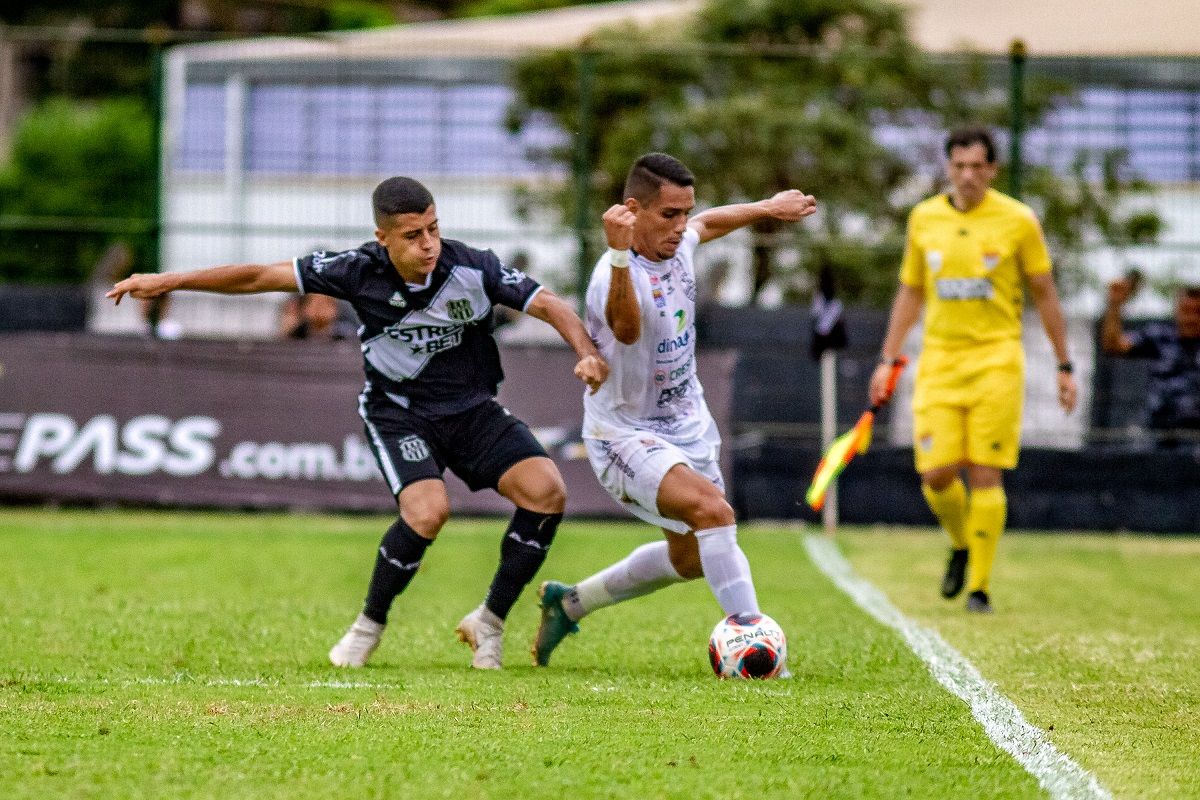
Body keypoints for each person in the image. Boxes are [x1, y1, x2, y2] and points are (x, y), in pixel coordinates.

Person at [108, 176, 609, 670]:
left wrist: (585, 352)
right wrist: (169, 280)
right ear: (383, 239)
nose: (429, 244)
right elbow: (259, 276)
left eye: (434, 229)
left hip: (472, 410)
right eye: (414, 236)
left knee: (547, 493)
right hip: (399, 412)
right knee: (427, 512)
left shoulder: (472, 267)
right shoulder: (355, 270)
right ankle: (368, 625)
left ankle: (490, 622)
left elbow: (546, 303)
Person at [529, 152, 817, 667]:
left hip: (685, 423)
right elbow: (627, 330)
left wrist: (767, 207)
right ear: (632, 210)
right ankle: (756, 647)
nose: (681, 226)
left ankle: (570, 603)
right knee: (713, 513)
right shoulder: (611, 274)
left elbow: (709, 223)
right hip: (623, 433)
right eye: (669, 215)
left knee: (690, 558)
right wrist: (618, 257)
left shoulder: (681, 239)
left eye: (685, 212)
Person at [869, 126, 1077, 615]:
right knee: (936, 474)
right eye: (958, 166)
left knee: (985, 472)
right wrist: (887, 357)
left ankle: (980, 588)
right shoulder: (924, 218)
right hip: (940, 360)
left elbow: (1045, 292)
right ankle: (961, 543)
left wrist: (1064, 365)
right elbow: (911, 291)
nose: (966, 176)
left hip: (996, 360)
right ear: (948, 168)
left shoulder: (1018, 220)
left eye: (976, 167)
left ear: (992, 170)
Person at [1101, 279, 1200, 449]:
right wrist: (1115, 305)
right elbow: (1113, 345)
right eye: (1186, 311)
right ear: (1176, 311)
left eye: (1197, 312)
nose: (1191, 318)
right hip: (1158, 432)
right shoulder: (1159, 336)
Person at [278, 292, 356, 340]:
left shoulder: (345, 335)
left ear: (335, 309)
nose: (320, 310)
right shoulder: (296, 334)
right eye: (314, 304)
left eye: (325, 304)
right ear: (304, 308)